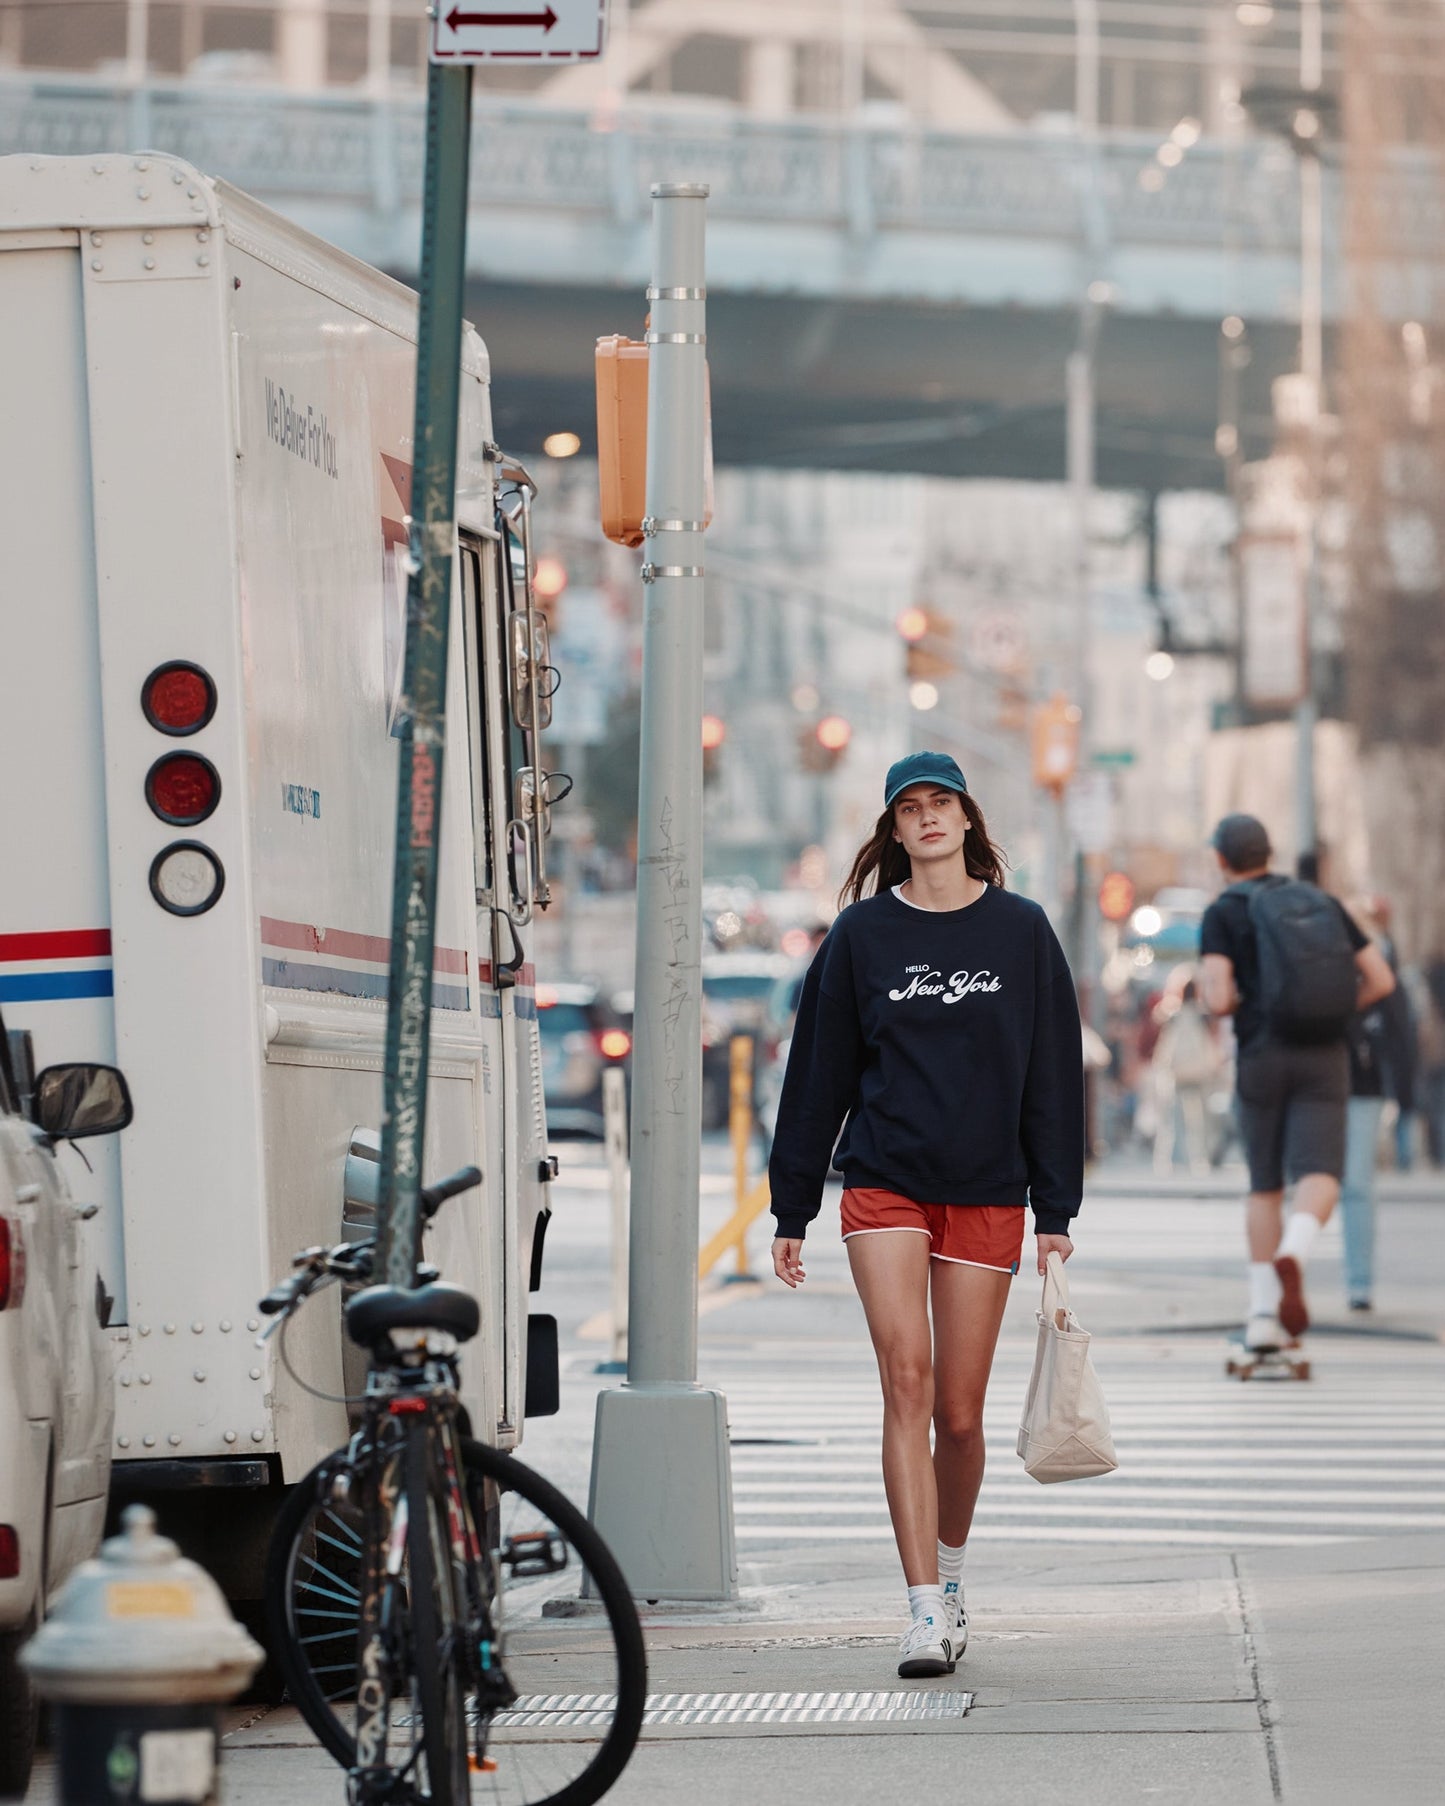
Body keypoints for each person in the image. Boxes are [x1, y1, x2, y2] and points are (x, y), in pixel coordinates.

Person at [767, 751, 1083, 1680]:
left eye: (941, 803)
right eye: (910, 809)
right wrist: (793, 1203)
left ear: (966, 820)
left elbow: (1053, 1076)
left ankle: (949, 1580)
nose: (928, 819)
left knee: (958, 1413)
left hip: (987, 1187)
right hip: (884, 1182)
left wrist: (1054, 1204)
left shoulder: (1022, 932)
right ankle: (916, 1610)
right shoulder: (861, 936)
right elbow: (816, 1074)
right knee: (905, 1382)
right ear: (894, 832)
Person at [1199, 816, 1396, 1351]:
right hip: (1325, 1056)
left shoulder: (1222, 912)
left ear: (1222, 860)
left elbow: (1218, 999)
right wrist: (1334, 1013)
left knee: (1264, 1183)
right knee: (1321, 1171)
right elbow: (1380, 978)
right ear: (1269, 852)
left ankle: (1263, 1315)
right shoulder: (1319, 902)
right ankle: (1298, 1245)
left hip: (1261, 1054)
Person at [1150, 969, 1219, 1176]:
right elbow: (1211, 1042)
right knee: (1201, 1119)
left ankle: (1171, 1161)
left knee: (1173, 1118)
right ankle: (1200, 1160)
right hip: (1200, 1071)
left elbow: (1164, 1045)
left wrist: (1160, 1066)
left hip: (1177, 1071)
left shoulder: (1171, 1015)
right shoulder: (1204, 1015)